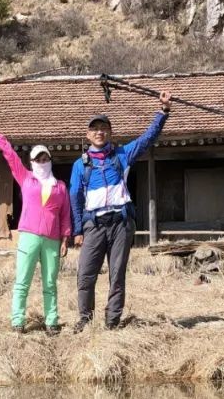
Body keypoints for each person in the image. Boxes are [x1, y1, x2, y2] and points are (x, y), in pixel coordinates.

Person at [69, 91, 172, 332]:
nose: (99, 132)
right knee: (85, 275)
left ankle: (112, 322)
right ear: (88, 134)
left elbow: (147, 138)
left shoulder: (122, 156)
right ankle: (85, 319)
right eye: (94, 129)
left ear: (110, 132)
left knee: (117, 275)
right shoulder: (79, 165)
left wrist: (163, 112)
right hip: (93, 225)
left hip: (121, 224)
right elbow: (74, 197)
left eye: (104, 128)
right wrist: (77, 229)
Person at [0, 118, 72, 335]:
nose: (42, 162)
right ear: (32, 162)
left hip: (52, 239)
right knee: (22, 281)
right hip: (29, 237)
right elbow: (11, 157)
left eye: (45, 158)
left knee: (50, 283)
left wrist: (65, 239)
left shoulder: (60, 186)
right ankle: (18, 321)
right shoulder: (26, 178)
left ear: (50, 161)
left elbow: (65, 215)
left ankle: (52, 321)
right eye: (38, 159)